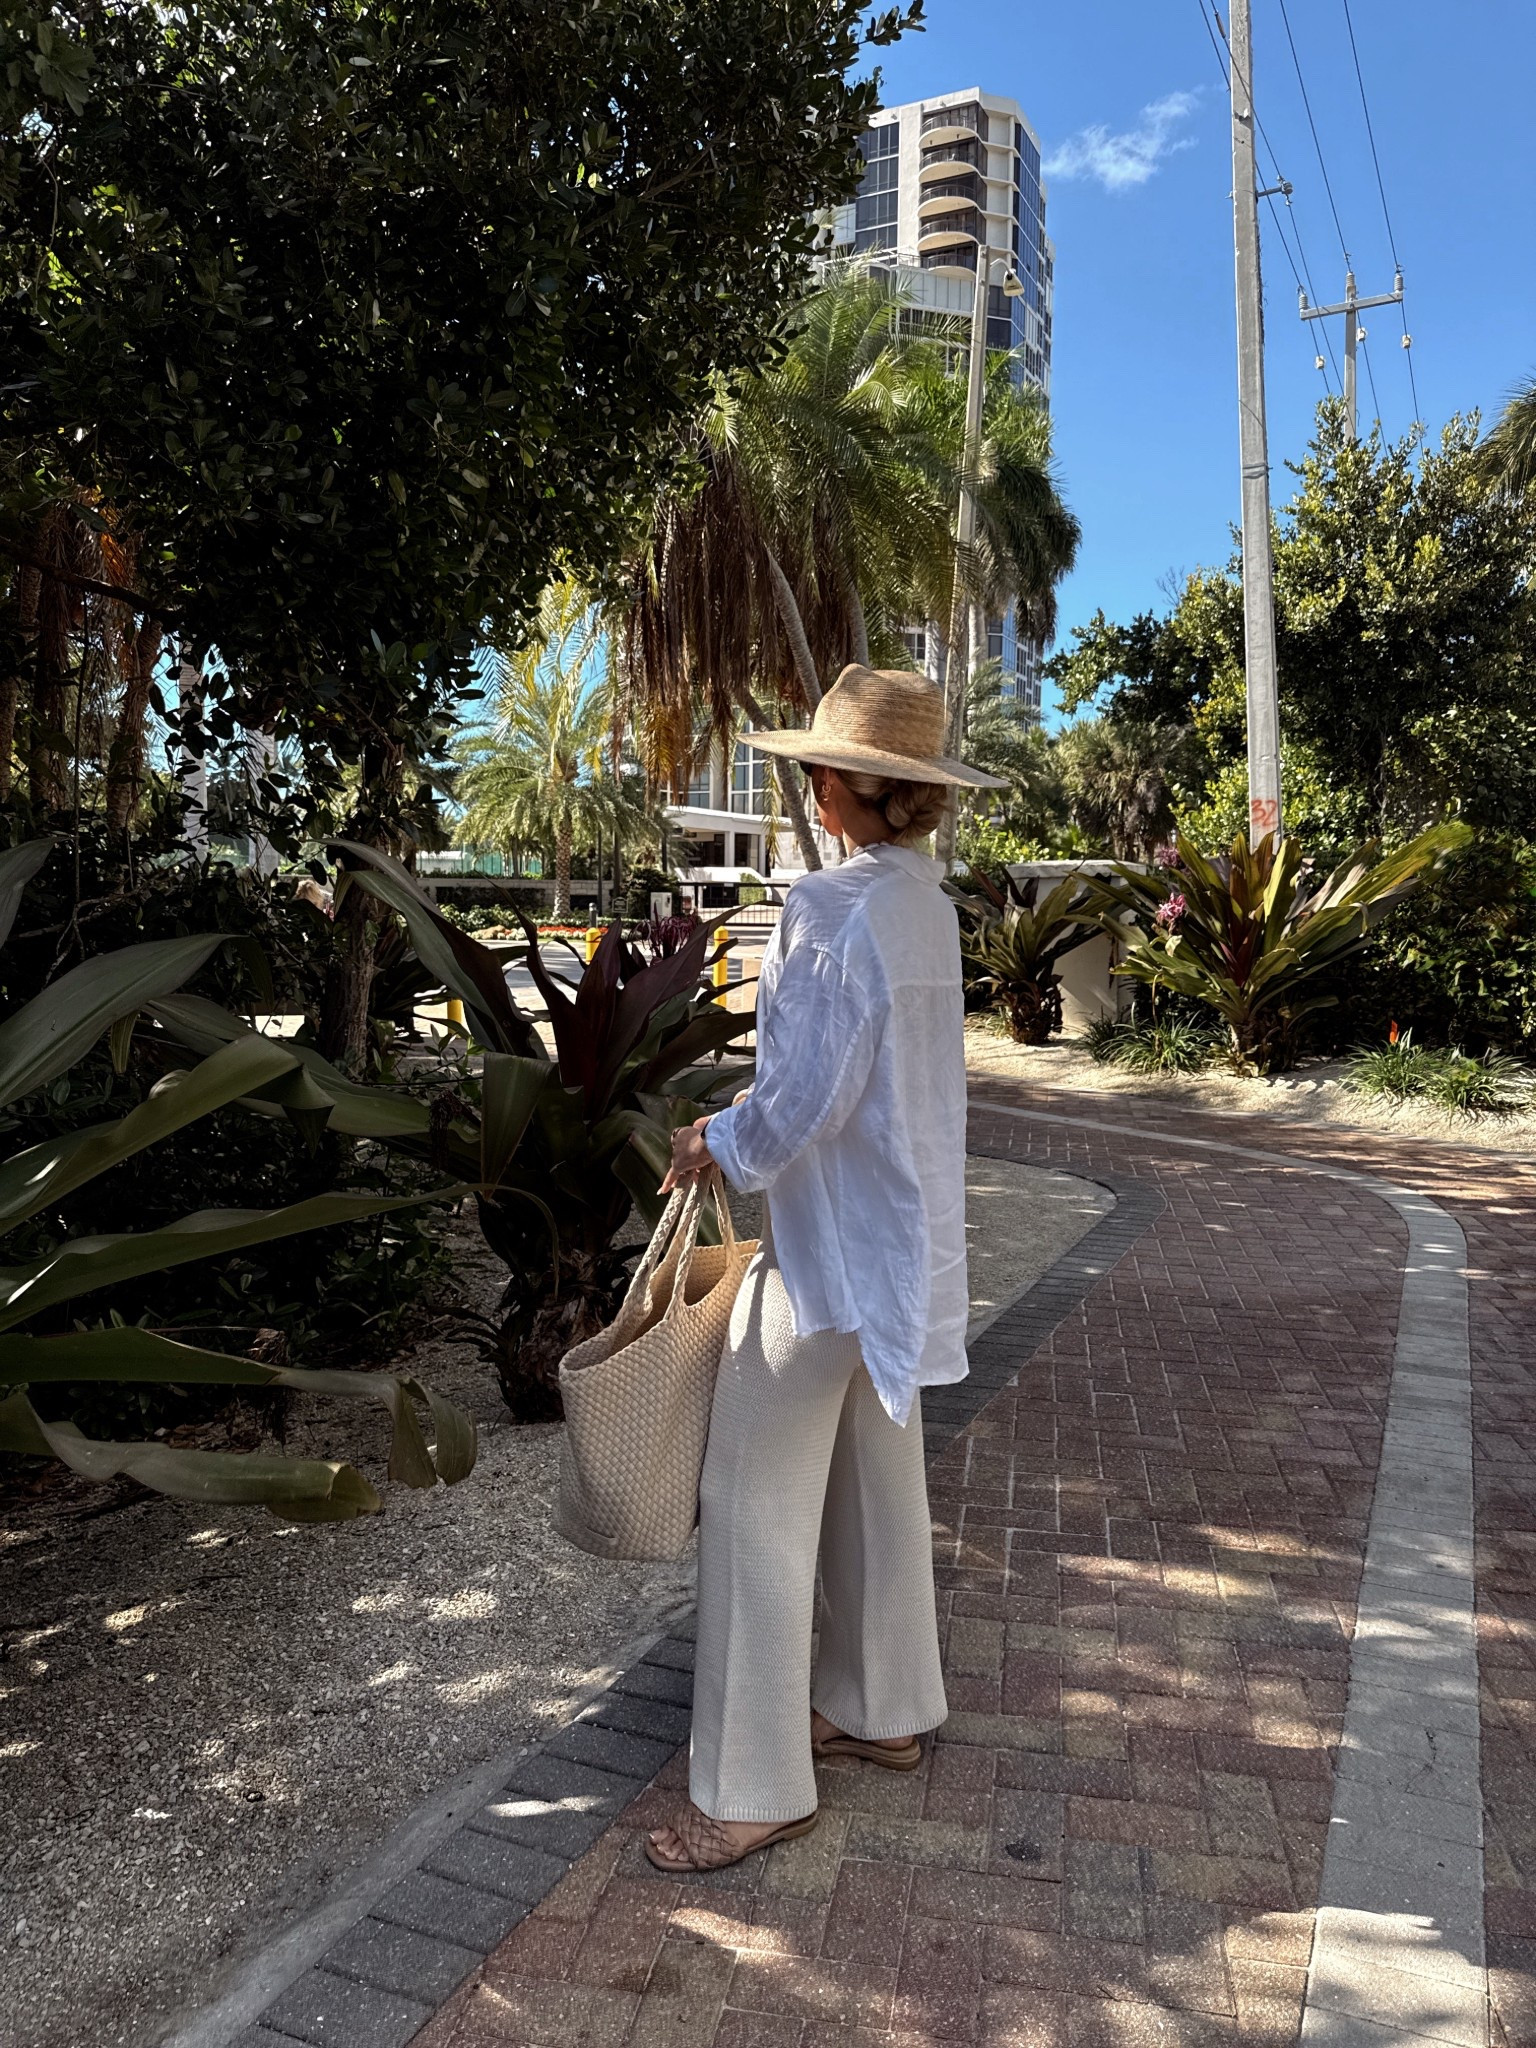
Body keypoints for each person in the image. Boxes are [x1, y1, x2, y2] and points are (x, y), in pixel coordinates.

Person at [645, 663, 1005, 1874]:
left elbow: (803, 1096)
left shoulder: (833, 908)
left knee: (750, 1496)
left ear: (852, 787)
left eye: (817, 765)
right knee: (874, 1483)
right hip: (899, 1259)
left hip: (825, 1258)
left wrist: (715, 1142)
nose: (805, 779)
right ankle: (881, 1705)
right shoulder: (923, 906)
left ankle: (750, 1785)